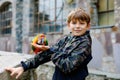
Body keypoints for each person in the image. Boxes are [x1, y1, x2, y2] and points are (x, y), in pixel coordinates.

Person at [5, 8, 92, 80]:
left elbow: (67, 67)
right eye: (74, 23)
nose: (77, 26)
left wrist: (51, 51)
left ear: (88, 26)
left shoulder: (85, 43)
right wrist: (23, 67)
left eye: (82, 23)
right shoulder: (68, 38)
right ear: (69, 25)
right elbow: (48, 53)